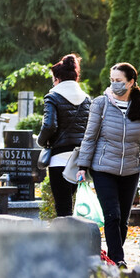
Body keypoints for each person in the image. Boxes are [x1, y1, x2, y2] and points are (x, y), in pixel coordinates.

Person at [75, 62, 140, 268]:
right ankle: (117, 259)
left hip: (130, 170)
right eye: (112, 81)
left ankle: (114, 256)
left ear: (131, 82)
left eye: (119, 81)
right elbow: (90, 137)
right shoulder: (101, 104)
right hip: (103, 168)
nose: (114, 85)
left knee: (122, 219)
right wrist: (82, 167)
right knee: (112, 215)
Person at [37, 54, 91, 216]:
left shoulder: (52, 97)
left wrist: (42, 142)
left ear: (58, 79)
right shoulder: (87, 99)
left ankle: (65, 239)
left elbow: (49, 125)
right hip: (79, 159)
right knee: (76, 204)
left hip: (58, 157)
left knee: (62, 206)